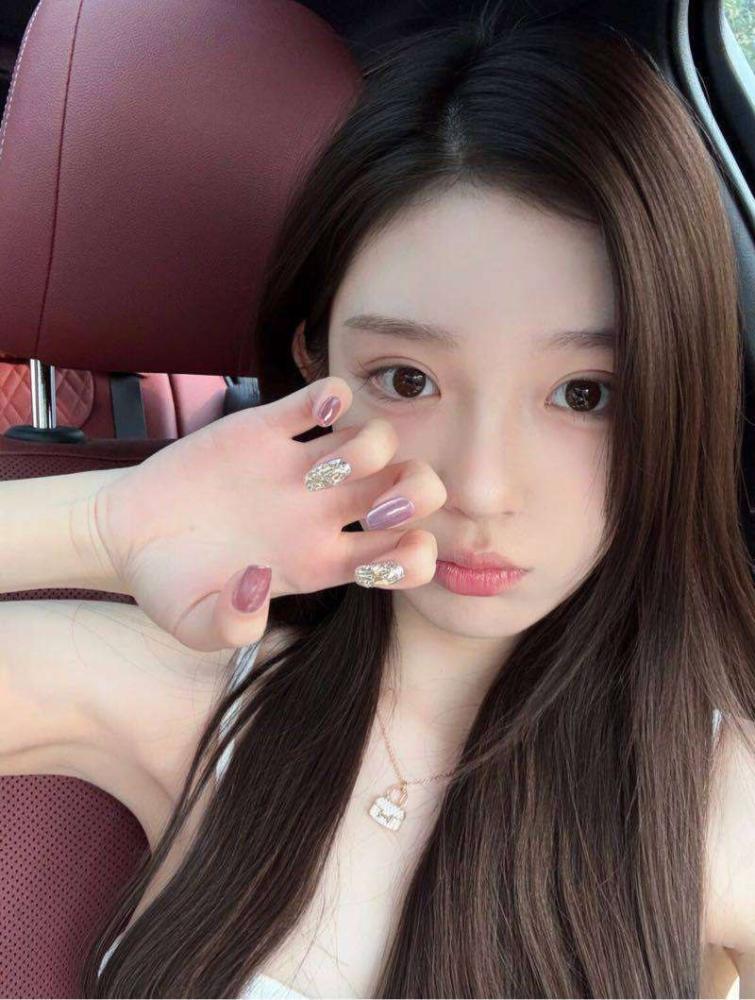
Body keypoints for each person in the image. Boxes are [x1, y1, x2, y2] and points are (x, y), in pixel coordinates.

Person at [4, 5, 753, 998]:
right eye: (406, 379)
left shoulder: (717, 805)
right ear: (315, 363)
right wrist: (104, 523)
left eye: (585, 395)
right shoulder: (194, 694)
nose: (479, 487)